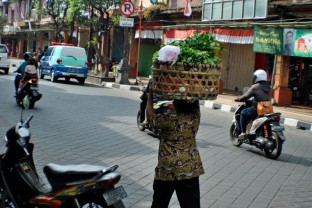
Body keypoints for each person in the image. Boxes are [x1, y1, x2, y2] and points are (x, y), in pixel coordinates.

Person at [146, 81, 204, 208]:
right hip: (190, 168)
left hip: (167, 169)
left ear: (175, 105)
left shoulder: (167, 120)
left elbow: (150, 117)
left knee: (159, 204)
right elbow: (196, 103)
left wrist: (150, 93)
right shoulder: (194, 118)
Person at [234, 69, 271, 140]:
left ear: (258, 77)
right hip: (267, 108)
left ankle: (243, 132)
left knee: (243, 112)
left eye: (255, 77)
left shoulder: (255, 87)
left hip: (257, 109)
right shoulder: (268, 87)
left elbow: (245, 96)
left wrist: (238, 99)